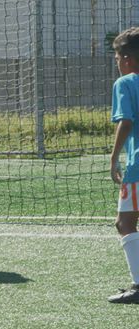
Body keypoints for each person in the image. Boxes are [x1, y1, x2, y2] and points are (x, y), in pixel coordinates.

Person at [108, 27, 139, 304]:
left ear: (127, 58)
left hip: (138, 168)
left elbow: (125, 122)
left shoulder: (126, 83)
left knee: (125, 223)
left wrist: (114, 157)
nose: (117, 63)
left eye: (117, 57)